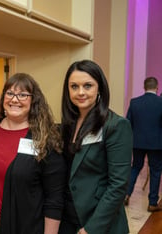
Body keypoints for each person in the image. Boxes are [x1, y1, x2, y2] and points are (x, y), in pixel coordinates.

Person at [0, 73, 67, 234]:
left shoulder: (44, 139)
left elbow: (54, 198)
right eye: (10, 93)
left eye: (23, 95)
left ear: (33, 101)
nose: (15, 99)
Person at [58, 60, 133, 234]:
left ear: (100, 88)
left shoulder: (116, 126)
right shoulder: (67, 125)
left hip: (98, 222)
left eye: (88, 86)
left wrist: (91, 229)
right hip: (68, 217)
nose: (80, 92)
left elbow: (118, 185)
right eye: (74, 86)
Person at [124, 77, 162, 212]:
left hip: (137, 142)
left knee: (135, 167)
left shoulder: (134, 102)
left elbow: (128, 123)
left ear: (144, 87)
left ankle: (126, 195)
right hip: (157, 143)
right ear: (157, 87)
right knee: (155, 171)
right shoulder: (161, 102)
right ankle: (152, 203)